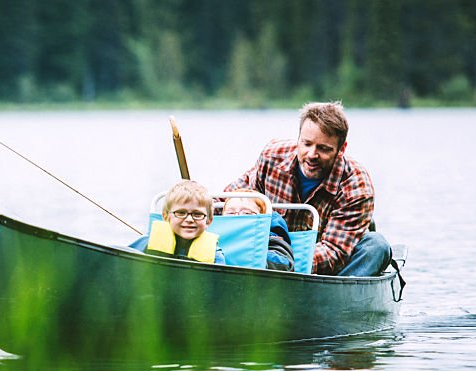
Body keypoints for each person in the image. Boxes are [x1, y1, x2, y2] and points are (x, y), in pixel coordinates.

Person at [225, 101, 391, 276]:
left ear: (341, 149)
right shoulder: (273, 156)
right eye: (306, 144)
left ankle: (329, 300)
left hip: (314, 265)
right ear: (298, 139)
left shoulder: (357, 186)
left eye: (323, 149)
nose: (312, 155)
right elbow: (230, 197)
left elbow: (334, 252)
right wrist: (197, 210)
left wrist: (278, 265)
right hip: (268, 251)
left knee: (376, 245)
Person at [131, 180, 226, 264]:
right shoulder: (148, 241)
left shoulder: (215, 255)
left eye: (197, 214)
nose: (189, 219)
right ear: (166, 216)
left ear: (208, 220)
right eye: (181, 213)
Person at [221, 196, 294, 271]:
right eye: (230, 213)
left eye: (247, 213)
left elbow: (283, 264)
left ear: (263, 218)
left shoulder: (270, 238)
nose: (237, 216)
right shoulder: (217, 238)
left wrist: (248, 252)